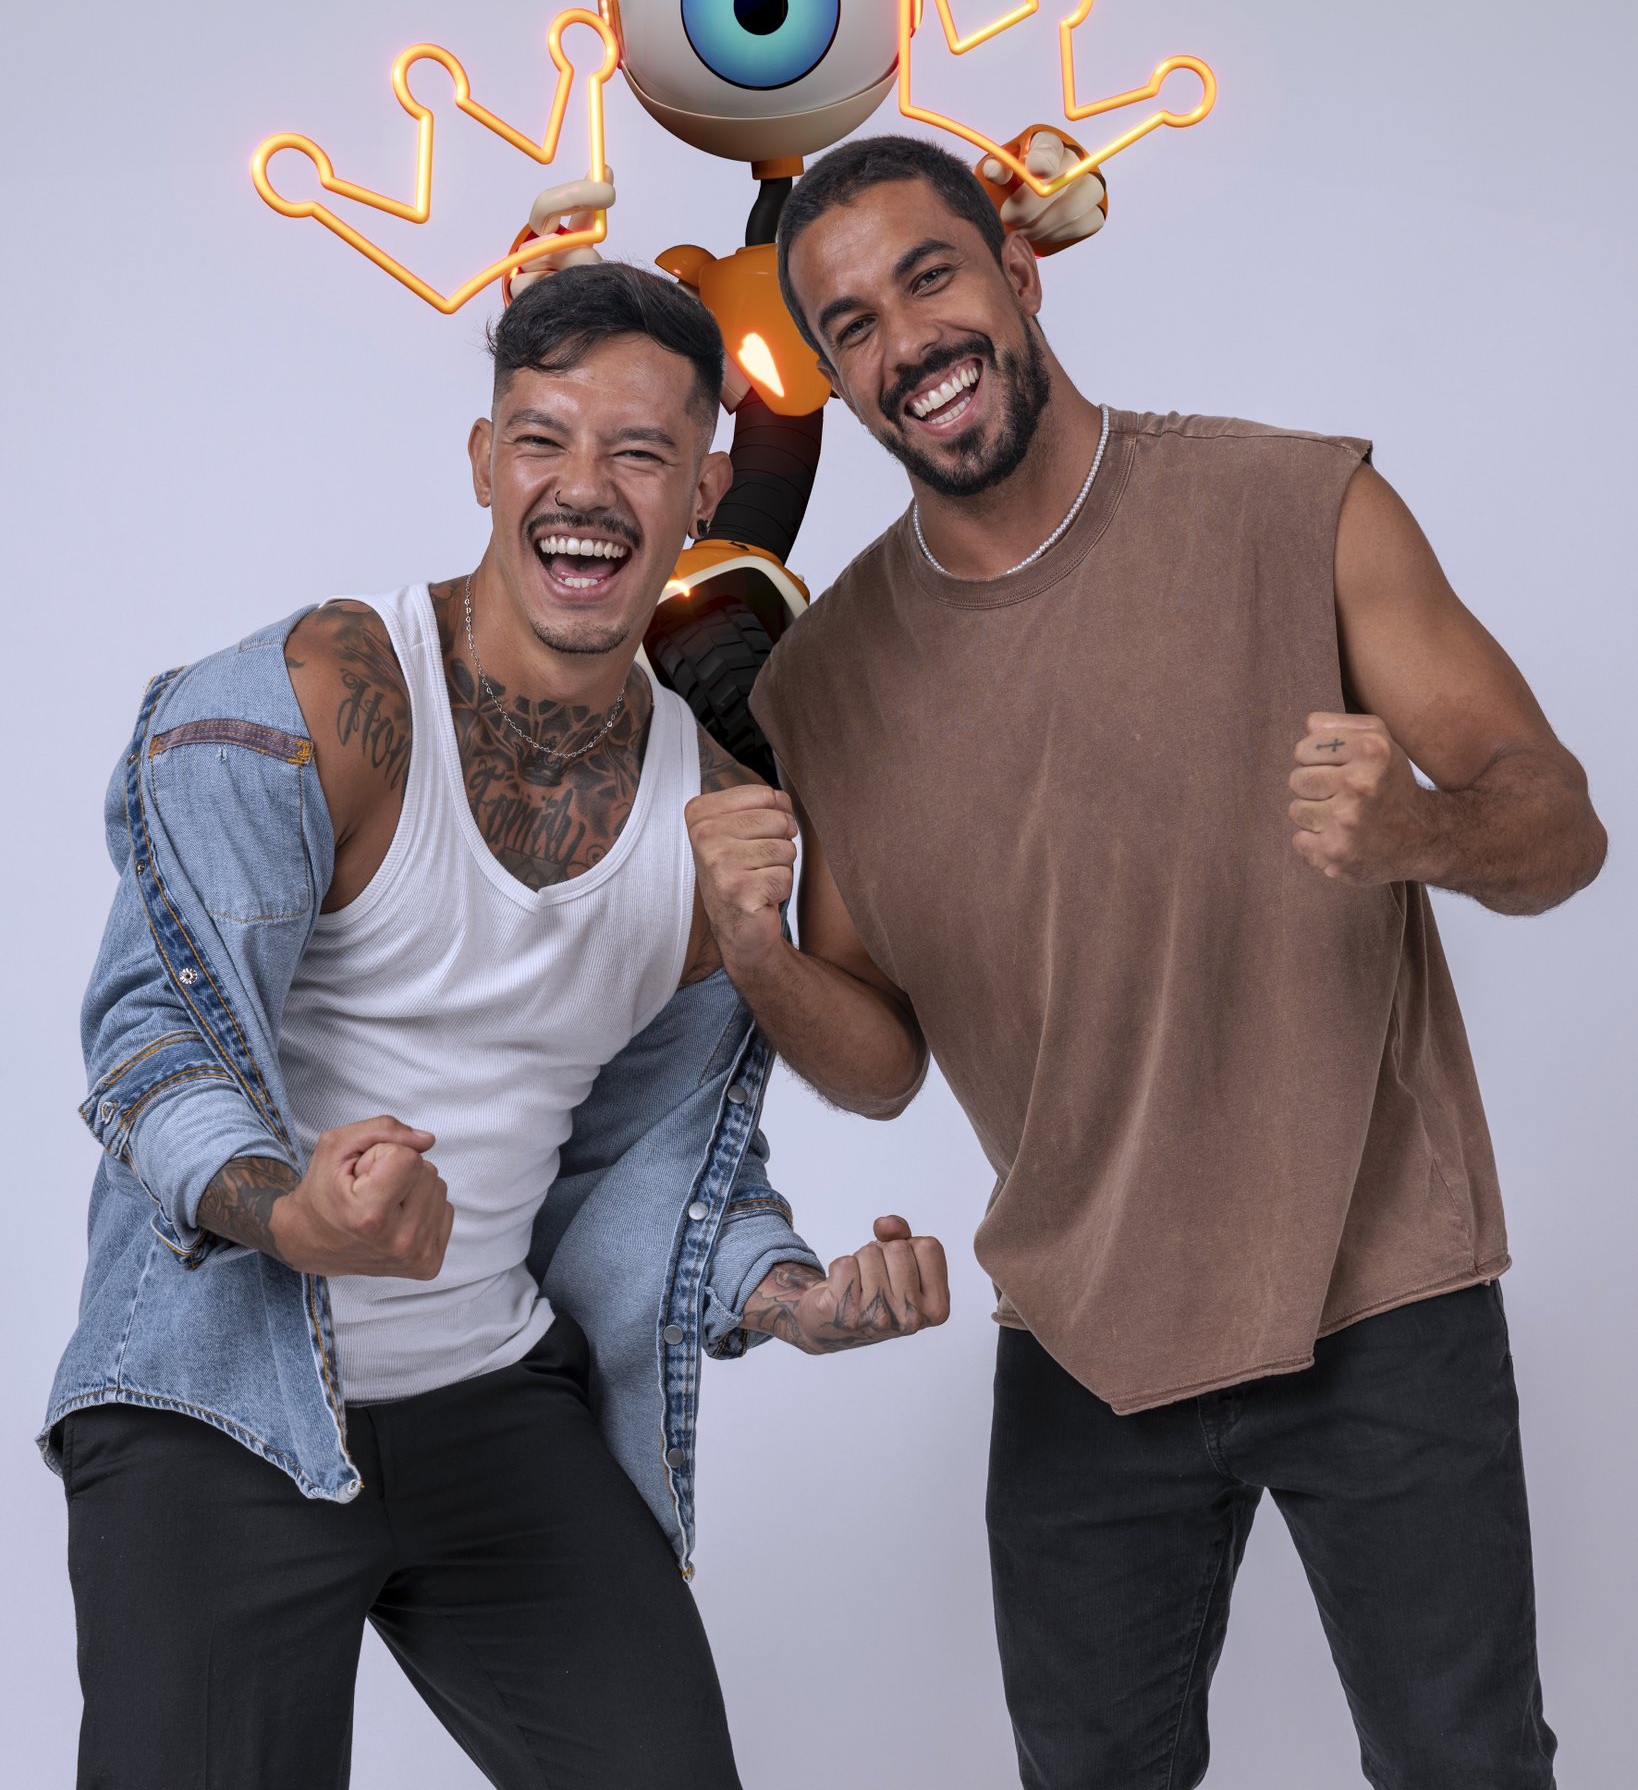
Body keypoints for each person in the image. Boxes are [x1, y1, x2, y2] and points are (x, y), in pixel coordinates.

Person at [684, 133, 1608, 1790]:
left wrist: (1419, 831)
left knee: (1466, 1765)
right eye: (850, 327)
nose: (907, 343)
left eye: (930, 278)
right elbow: (877, 1065)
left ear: (1017, 272)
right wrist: (753, 948)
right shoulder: (819, 683)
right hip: (1082, 1334)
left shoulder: (1293, 504)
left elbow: (1557, 827)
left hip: (1378, 1289)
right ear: (828, 375)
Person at [41, 260, 950, 1790]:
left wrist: (789, 1294)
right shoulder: (318, 700)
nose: (582, 488)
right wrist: (297, 1214)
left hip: (490, 1402)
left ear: (701, 491)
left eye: (639, 452)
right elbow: (152, 1043)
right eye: (542, 440)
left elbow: (642, 1161)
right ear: (484, 461)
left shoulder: (716, 816)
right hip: (222, 1400)